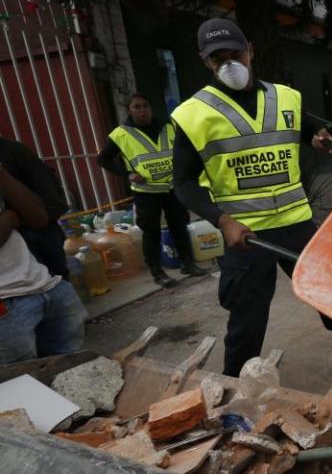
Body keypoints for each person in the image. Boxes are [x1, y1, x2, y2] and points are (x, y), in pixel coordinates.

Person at [172, 18, 332, 377]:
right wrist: (222, 219)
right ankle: (233, 387)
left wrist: (318, 136)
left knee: (331, 295)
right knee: (247, 314)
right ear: (206, 62)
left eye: (235, 53)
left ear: (250, 49)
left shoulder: (285, 97)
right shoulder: (192, 115)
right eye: (218, 59)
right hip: (246, 234)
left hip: (296, 224)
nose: (229, 63)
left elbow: (308, 127)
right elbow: (183, 182)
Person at [99, 94, 207, 287]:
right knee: (151, 233)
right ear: (129, 110)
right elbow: (103, 159)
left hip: (172, 188)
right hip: (145, 192)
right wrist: (127, 174)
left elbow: (184, 150)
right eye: (137, 107)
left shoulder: (168, 127)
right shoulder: (121, 134)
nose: (142, 110)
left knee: (179, 226)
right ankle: (158, 273)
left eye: (145, 106)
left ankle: (188, 264)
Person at [0, 162, 86, 364]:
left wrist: (2, 174)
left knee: (71, 367)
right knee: (19, 380)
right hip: (5, 303)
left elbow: (38, 217)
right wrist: (11, 218)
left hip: (45, 286)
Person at [0, 138, 69, 277]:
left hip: (41, 243)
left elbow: (53, 204)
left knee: (57, 281)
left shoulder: (13, 152)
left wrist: (14, 218)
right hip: (10, 274)